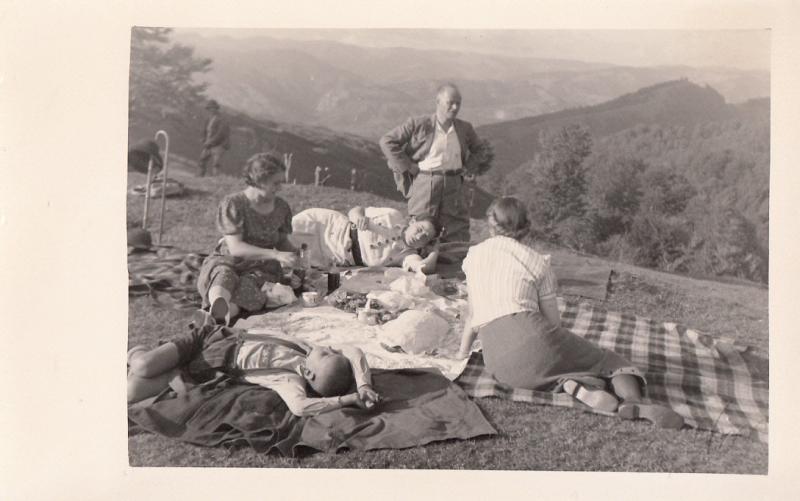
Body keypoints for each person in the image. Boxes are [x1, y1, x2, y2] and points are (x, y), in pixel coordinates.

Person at [457, 197, 684, 429]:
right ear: (525, 228)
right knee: (609, 360)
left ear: (491, 224)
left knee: (552, 367)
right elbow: (553, 322)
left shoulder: (472, 257)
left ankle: (577, 386)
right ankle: (633, 401)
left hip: (499, 364)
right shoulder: (536, 262)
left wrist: (462, 354)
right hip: (534, 336)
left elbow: (473, 316)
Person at [127, 316, 381, 417]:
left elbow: (300, 408)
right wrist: (364, 385)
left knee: (130, 392)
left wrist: (348, 400)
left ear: (308, 373)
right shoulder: (308, 348)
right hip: (212, 337)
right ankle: (133, 351)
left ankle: (169, 370)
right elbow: (353, 350)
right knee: (142, 365)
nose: (328, 348)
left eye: (326, 355)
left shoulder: (288, 380)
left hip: (201, 367)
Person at [196, 152, 298, 325]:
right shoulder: (234, 203)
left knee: (249, 284)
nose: (280, 187)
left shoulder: (281, 207)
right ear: (259, 179)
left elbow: (282, 241)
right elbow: (236, 248)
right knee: (224, 273)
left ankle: (216, 318)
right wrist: (275, 255)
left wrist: (296, 257)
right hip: (230, 259)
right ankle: (217, 306)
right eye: (276, 182)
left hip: (262, 267)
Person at [379, 83, 486, 245]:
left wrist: (468, 168)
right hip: (425, 183)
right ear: (438, 102)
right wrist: (408, 166)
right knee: (420, 230)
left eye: (458, 103)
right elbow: (387, 141)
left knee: (456, 230)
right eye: (450, 102)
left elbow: (479, 150)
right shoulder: (418, 124)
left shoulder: (465, 128)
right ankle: (418, 265)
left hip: (454, 184)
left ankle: (455, 268)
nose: (455, 107)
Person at [291, 206, 441, 274]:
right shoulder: (392, 215)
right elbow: (357, 209)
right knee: (280, 233)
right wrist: (358, 217)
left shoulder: (407, 255)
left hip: (333, 254)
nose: (420, 236)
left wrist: (435, 250)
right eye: (420, 229)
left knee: (289, 256)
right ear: (413, 221)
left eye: (426, 237)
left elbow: (424, 268)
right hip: (329, 225)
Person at [198, 99, 231, 177]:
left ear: (216, 108)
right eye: (209, 108)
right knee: (202, 160)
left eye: (212, 108)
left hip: (219, 145)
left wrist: (210, 142)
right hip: (208, 144)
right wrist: (203, 139)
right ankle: (199, 178)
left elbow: (221, 133)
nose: (210, 110)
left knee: (216, 163)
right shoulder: (209, 118)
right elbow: (204, 130)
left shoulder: (222, 119)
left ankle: (216, 180)